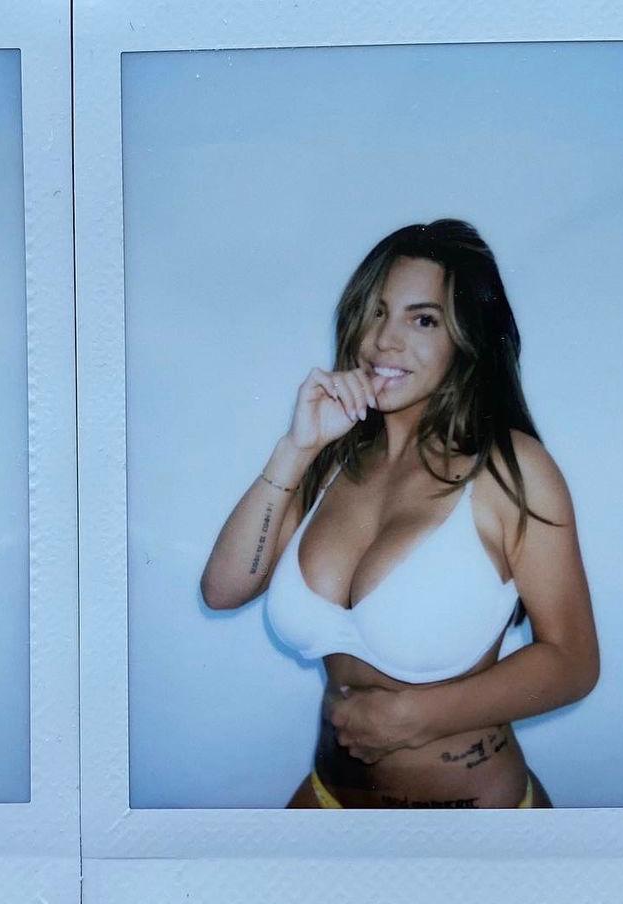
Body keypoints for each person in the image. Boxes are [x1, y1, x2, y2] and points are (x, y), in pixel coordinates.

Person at [201, 220, 598, 809]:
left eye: (423, 319)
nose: (385, 340)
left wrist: (418, 716)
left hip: (475, 826)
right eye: (377, 312)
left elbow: (573, 661)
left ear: (467, 337)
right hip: (329, 802)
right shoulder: (330, 462)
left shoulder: (511, 470)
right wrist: (296, 449)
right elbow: (223, 590)